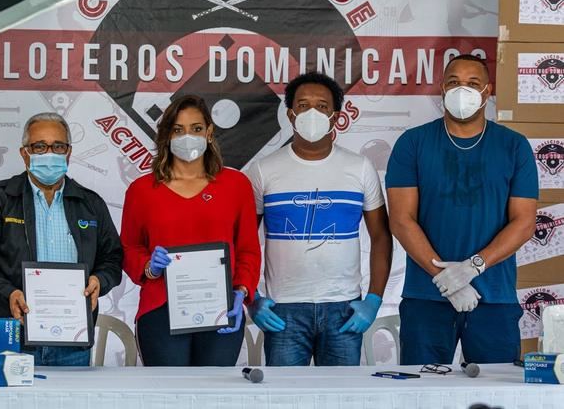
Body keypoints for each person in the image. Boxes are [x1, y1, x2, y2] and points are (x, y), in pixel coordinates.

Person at [386, 54, 538, 365]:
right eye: (454, 82)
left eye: (472, 83)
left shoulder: (514, 146)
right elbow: (402, 220)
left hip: (493, 295)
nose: (462, 90)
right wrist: (445, 278)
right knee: (421, 392)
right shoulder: (412, 143)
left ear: (487, 91)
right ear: (442, 89)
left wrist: (473, 267)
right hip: (426, 296)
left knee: (496, 391)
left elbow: (523, 223)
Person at [246, 72, 393, 366]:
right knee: (285, 401)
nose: (312, 112)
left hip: (344, 309)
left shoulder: (360, 167)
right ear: (290, 114)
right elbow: (245, 243)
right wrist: (253, 300)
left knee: (340, 399)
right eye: (303, 105)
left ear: (336, 117)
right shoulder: (264, 170)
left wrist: (374, 300)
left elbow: (381, 237)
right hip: (283, 309)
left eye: (322, 106)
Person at [0, 112, 123, 366]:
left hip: (73, 340)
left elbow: (113, 258)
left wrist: (99, 280)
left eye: (58, 146)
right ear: (24, 153)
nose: (50, 153)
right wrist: (9, 293)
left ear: (68, 153)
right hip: (12, 337)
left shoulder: (90, 204)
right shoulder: (0, 199)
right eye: (39, 146)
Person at [120, 94, 260, 366]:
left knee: (215, 397)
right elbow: (128, 248)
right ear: (166, 136)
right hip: (160, 310)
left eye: (196, 128)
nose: (188, 136)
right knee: (167, 398)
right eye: (178, 129)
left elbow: (248, 249)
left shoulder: (236, 184)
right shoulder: (141, 190)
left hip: (220, 308)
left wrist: (241, 291)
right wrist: (149, 267)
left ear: (209, 132)